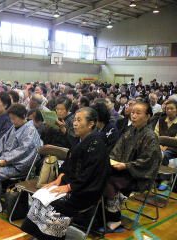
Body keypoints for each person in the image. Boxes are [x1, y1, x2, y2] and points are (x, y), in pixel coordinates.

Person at [21, 107, 109, 240]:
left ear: (91, 124)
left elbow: (89, 175)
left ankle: (51, 236)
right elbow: (69, 164)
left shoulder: (97, 144)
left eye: (79, 120)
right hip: (73, 183)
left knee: (54, 202)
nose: (74, 123)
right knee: (40, 196)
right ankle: (41, 234)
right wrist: (59, 178)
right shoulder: (81, 140)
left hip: (85, 190)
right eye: (74, 120)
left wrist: (68, 187)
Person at [104, 101, 161, 232]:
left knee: (110, 181)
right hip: (124, 170)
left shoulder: (151, 136)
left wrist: (126, 166)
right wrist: (111, 161)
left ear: (148, 116)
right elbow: (116, 151)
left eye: (138, 113)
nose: (133, 115)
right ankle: (102, 213)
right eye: (133, 112)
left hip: (139, 175)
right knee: (101, 175)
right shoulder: (129, 132)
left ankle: (115, 218)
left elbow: (148, 162)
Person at [154, 100, 177, 190]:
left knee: (164, 154)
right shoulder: (161, 120)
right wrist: (159, 145)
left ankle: (165, 179)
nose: (169, 111)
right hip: (159, 146)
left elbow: (175, 140)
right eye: (167, 109)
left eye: (172, 109)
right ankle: (153, 177)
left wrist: (165, 146)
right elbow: (155, 134)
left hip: (174, 149)